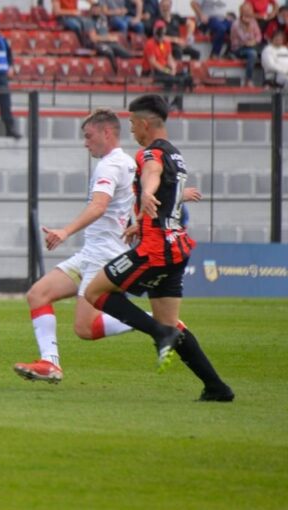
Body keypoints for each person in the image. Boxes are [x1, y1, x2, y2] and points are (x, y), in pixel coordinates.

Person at [84, 94, 234, 402]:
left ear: (144, 123)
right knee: (170, 322)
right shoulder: (175, 155)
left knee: (95, 292)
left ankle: (160, 335)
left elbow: (151, 175)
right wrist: (144, 217)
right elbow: (165, 188)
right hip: (176, 247)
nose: (131, 131)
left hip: (155, 249)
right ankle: (217, 387)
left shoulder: (148, 154)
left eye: (132, 124)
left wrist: (146, 194)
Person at [14, 109, 141, 381]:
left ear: (107, 133)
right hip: (92, 253)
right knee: (38, 294)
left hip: (103, 257)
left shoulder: (110, 165)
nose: (85, 143)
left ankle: (156, 322)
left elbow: (99, 206)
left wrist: (65, 231)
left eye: (89, 136)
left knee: (85, 328)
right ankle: (50, 364)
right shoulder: (128, 163)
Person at [142, 20, 193, 111]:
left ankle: (177, 103)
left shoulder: (166, 43)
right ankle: (165, 102)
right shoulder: (150, 43)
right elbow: (153, 63)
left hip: (165, 69)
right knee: (169, 78)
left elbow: (170, 58)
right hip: (152, 71)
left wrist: (173, 68)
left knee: (186, 77)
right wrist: (167, 71)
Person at [86, 8, 134, 73]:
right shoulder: (89, 21)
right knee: (109, 52)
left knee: (126, 54)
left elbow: (105, 32)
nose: (96, 10)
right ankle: (114, 72)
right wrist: (108, 38)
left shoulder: (103, 19)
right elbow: (93, 38)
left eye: (98, 8)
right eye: (94, 9)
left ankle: (128, 72)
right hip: (97, 44)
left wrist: (111, 38)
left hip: (108, 42)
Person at [230, 2, 262, 87]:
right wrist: (247, 28)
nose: (248, 12)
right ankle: (249, 79)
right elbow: (243, 39)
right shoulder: (236, 24)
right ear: (241, 12)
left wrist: (255, 41)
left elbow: (258, 35)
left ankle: (265, 81)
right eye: (246, 10)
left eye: (250, 10)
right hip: (239, 48)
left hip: (252, 45)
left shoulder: (253, 21)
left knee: (264, 52)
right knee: (252, 53)